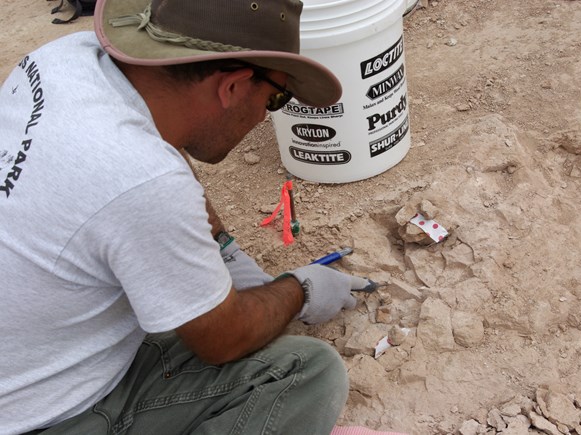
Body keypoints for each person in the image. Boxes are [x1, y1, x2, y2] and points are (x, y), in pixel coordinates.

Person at [0, 0, 372, 433]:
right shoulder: (141, 179)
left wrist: (226, 250)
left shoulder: (64, 59)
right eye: (276, 97)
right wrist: (300, 290)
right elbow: (223, 340)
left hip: (20, 356)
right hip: (41, 416)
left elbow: (161, 148)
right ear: (232, 86)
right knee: (306, 373)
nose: (266, 114)